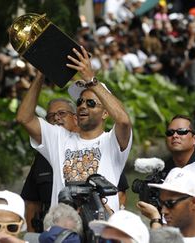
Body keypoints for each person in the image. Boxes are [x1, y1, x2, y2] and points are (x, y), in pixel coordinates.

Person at [16, 46, 132, 212]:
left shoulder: (112, 141)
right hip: (64, 229)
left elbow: (124, 120)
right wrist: (41, 74)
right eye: (80, 102)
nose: (83, 106)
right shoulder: (59, 138)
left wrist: (91, 80)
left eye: (90, 103)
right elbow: (24, 118)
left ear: (105, 112)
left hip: (100, 229)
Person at [20, 98, 78, 232]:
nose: (56, 118)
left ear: (75, 118)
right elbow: (32, 202)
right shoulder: (42, 156)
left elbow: (119, 193)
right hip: (53, 230)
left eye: (62, 113)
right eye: (51, 116)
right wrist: (31, 238)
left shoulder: (92, 146)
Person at [137, 168, 195, 242]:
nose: (163, 211)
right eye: (161, 203)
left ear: (194, 203)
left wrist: (155, 220)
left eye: (170, 203)